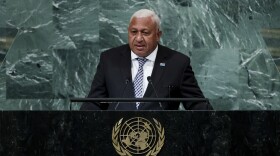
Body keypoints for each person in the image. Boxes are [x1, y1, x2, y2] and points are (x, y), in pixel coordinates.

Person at [80, 9, 212, 110]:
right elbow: (93, 105)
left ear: (158, 35)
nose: (138, 38)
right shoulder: (109, 60)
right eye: (133, 32)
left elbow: (199, 107)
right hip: (117, 139)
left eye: (145, 32)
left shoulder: (177, 63)